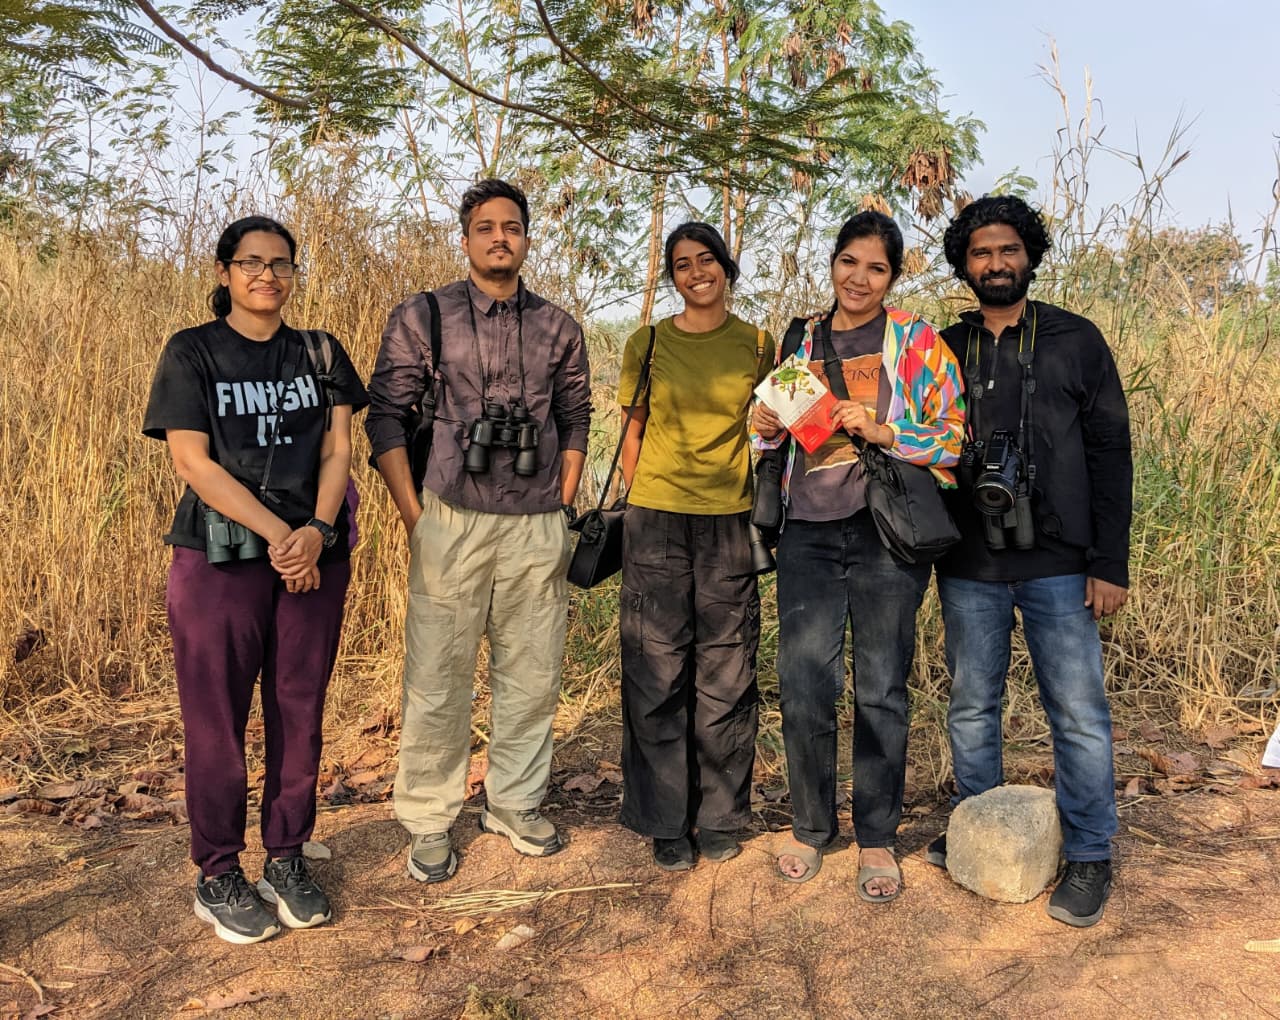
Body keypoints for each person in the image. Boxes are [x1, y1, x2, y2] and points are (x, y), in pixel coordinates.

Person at [143, 215, 368, 944]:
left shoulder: (320, 352)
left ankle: (286, 854)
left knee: (299, 707)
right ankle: (217, 871)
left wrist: (317, 533)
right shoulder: (192, 351)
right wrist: (280, 536)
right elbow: (192, 461)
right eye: (251, 262)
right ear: (223, 272)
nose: (267, 275)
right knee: (218, 717)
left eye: (280, 264)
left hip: (313, 557)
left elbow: (337, 450)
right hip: (220, 562)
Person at [365, 178, 592, 883]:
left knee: (532, 674)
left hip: (535, 522)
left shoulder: (559, 327)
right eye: (486, 227)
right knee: (438, 675)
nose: (500, 238)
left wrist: (562, 499)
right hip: (451, 517)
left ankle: (514, 802)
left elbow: (576, 417)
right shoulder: (424, 315)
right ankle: (429, 818)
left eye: (512, 227)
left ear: (526, 240)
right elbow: (384, 415)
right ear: (465, 239)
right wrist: (416, 516)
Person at [929, 195, 1132, 928]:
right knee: (972, 705)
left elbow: (1112, 452)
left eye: (1007, 249)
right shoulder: (942, 349)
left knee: (1077, 712)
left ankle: (1090, 852)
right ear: (964, 265)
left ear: (1030, 255)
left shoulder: (1076, 339)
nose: (995, 263)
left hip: (1062, 561)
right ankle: (978, 827)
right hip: (968, 561)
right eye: (981, 252)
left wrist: (1110, 562)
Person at [752, 211, 964, 899]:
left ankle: (876, 834)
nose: (859, 278)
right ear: (833, 263)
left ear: (893, 278)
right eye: (849, 262)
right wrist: (763, 425)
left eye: (876, 268)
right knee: (804, 684)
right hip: (807, 533)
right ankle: (812, 827)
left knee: (881, 689)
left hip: (885, 534)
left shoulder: (918, 341)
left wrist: (883, 429)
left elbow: (952, 436)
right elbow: (771, 443)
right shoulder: (801, 340)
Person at [616, 222, 774, 871]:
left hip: (729, 522)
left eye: (706, 260)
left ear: (726, 268)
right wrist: (642, 501)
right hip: (656, 521)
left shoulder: (758, 345)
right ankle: (665, 819)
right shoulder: (648, 343)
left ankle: (718, 816)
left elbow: (772, 427)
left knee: (727, 673)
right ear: (672, 277)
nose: (696, 272)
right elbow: (632, 432)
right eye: (681, 264)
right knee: (656, 671)